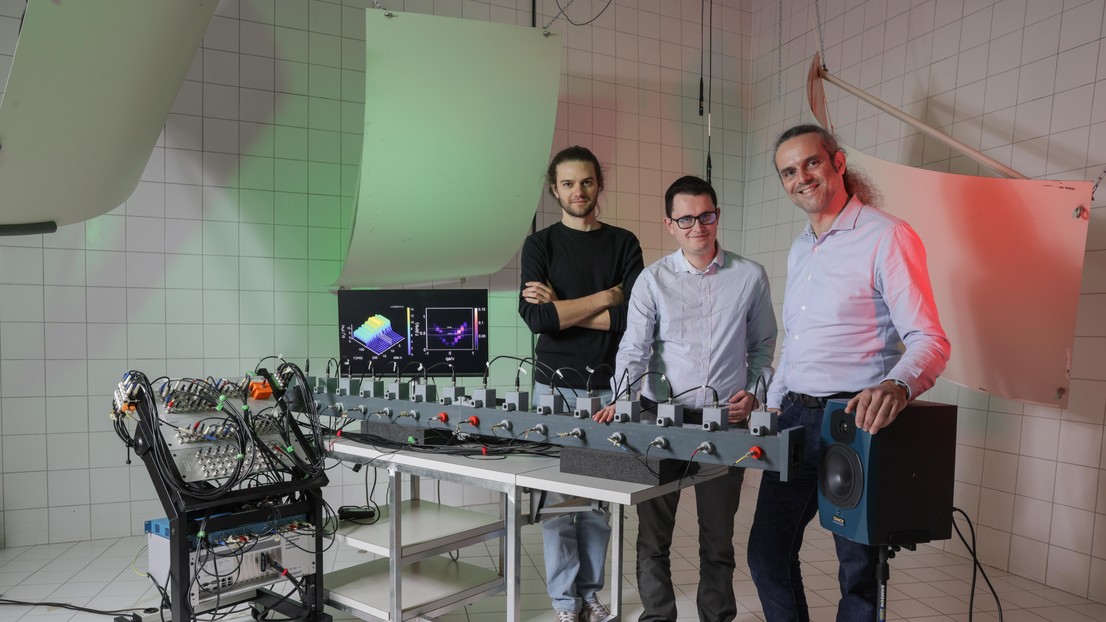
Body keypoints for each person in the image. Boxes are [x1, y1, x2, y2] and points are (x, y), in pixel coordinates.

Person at [747, 124, 951, 621]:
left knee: (858, 569)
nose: (802, 177)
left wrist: (897, 384)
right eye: (789, 172)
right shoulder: (802, 247)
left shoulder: (888, 236)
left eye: (811, 163)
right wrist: (773, 404)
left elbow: (930, 340)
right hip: (794, 417)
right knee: (766, 552)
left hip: (855, 419)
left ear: (838, 163)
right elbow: (795, 343)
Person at [594, 175, 777, 622]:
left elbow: (763, 346)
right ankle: (658, 617)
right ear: (670, 224)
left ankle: (716, 617)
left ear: (718, 217)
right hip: (662, 421)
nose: (699, 226)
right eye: (687, 218)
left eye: (706, 216)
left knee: (718, 536)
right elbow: (633, 350)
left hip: (725, 421)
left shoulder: (749, 276)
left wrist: (752, 397)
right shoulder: (652, 281)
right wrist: (622, 402)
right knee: (653, 535)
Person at [519, 145, 644, 622]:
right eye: (568, 183)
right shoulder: (541, 245)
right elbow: (537, 319)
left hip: (610, 388)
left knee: (597, 500)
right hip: (553, 389)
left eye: (586, 182)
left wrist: (565, 310)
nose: (578, 191)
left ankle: (590, 593)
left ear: (599, 185)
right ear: (555, 189)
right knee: (557, 501)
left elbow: (632, 317)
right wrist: (604, 298)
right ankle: (565, 602)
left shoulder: (623, 243)